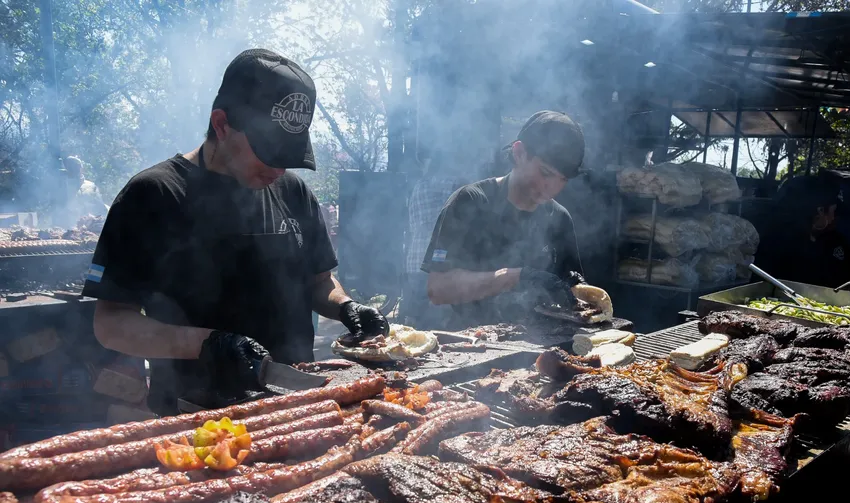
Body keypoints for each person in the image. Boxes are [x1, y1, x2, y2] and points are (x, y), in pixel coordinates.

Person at [83, 49, 388, 415]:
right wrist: (209, 343)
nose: (279, 167)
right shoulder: (154, 195)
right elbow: (111, 324)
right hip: (197, 413)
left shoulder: (292, 192)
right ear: (222, 124)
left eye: (289, 153)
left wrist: (345, 306)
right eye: (269, 151)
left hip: (299, 408)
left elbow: (318, 280)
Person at [421, 111, 586, 329]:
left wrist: (576, 289)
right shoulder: (471, 201)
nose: (552, 188)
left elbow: (576, 296)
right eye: (545, 173)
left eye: (562, 180)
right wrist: (515, 277)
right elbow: (438, 289)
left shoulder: (560, 218)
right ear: (519, 152)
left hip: (538, 347)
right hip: (471, 344)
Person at [401, 151, 465, 328]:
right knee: (439, 319)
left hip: (414, 262)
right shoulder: (449, 183)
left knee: (420, 316)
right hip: (435, 262)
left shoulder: (419, 186)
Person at [755, 173, 850, 288]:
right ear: (820, 211)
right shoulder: (780, 244)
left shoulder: (834, 240)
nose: (833, 218)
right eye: (833, 211)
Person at [62, 155, 108, 223]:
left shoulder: (91, 186)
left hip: (87, 226)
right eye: (70, 166)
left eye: (76, 166)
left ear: (81, 168)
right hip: (65, 225)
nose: (73, 168)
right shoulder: (62, 185)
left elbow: (101, 208)